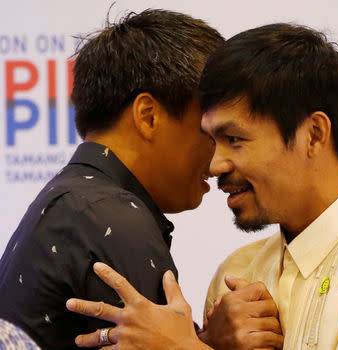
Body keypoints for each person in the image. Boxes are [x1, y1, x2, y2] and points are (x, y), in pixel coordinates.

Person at [67, 23, 338, 350]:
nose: (215, 164)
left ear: (314, 135)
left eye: (234, 139)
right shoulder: (236, 273)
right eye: (211, 140)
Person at [0, 9, 229, 349]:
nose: (222, 159)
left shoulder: (75, 200)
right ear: (148, 116)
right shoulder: (114, 217)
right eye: (211, 128)